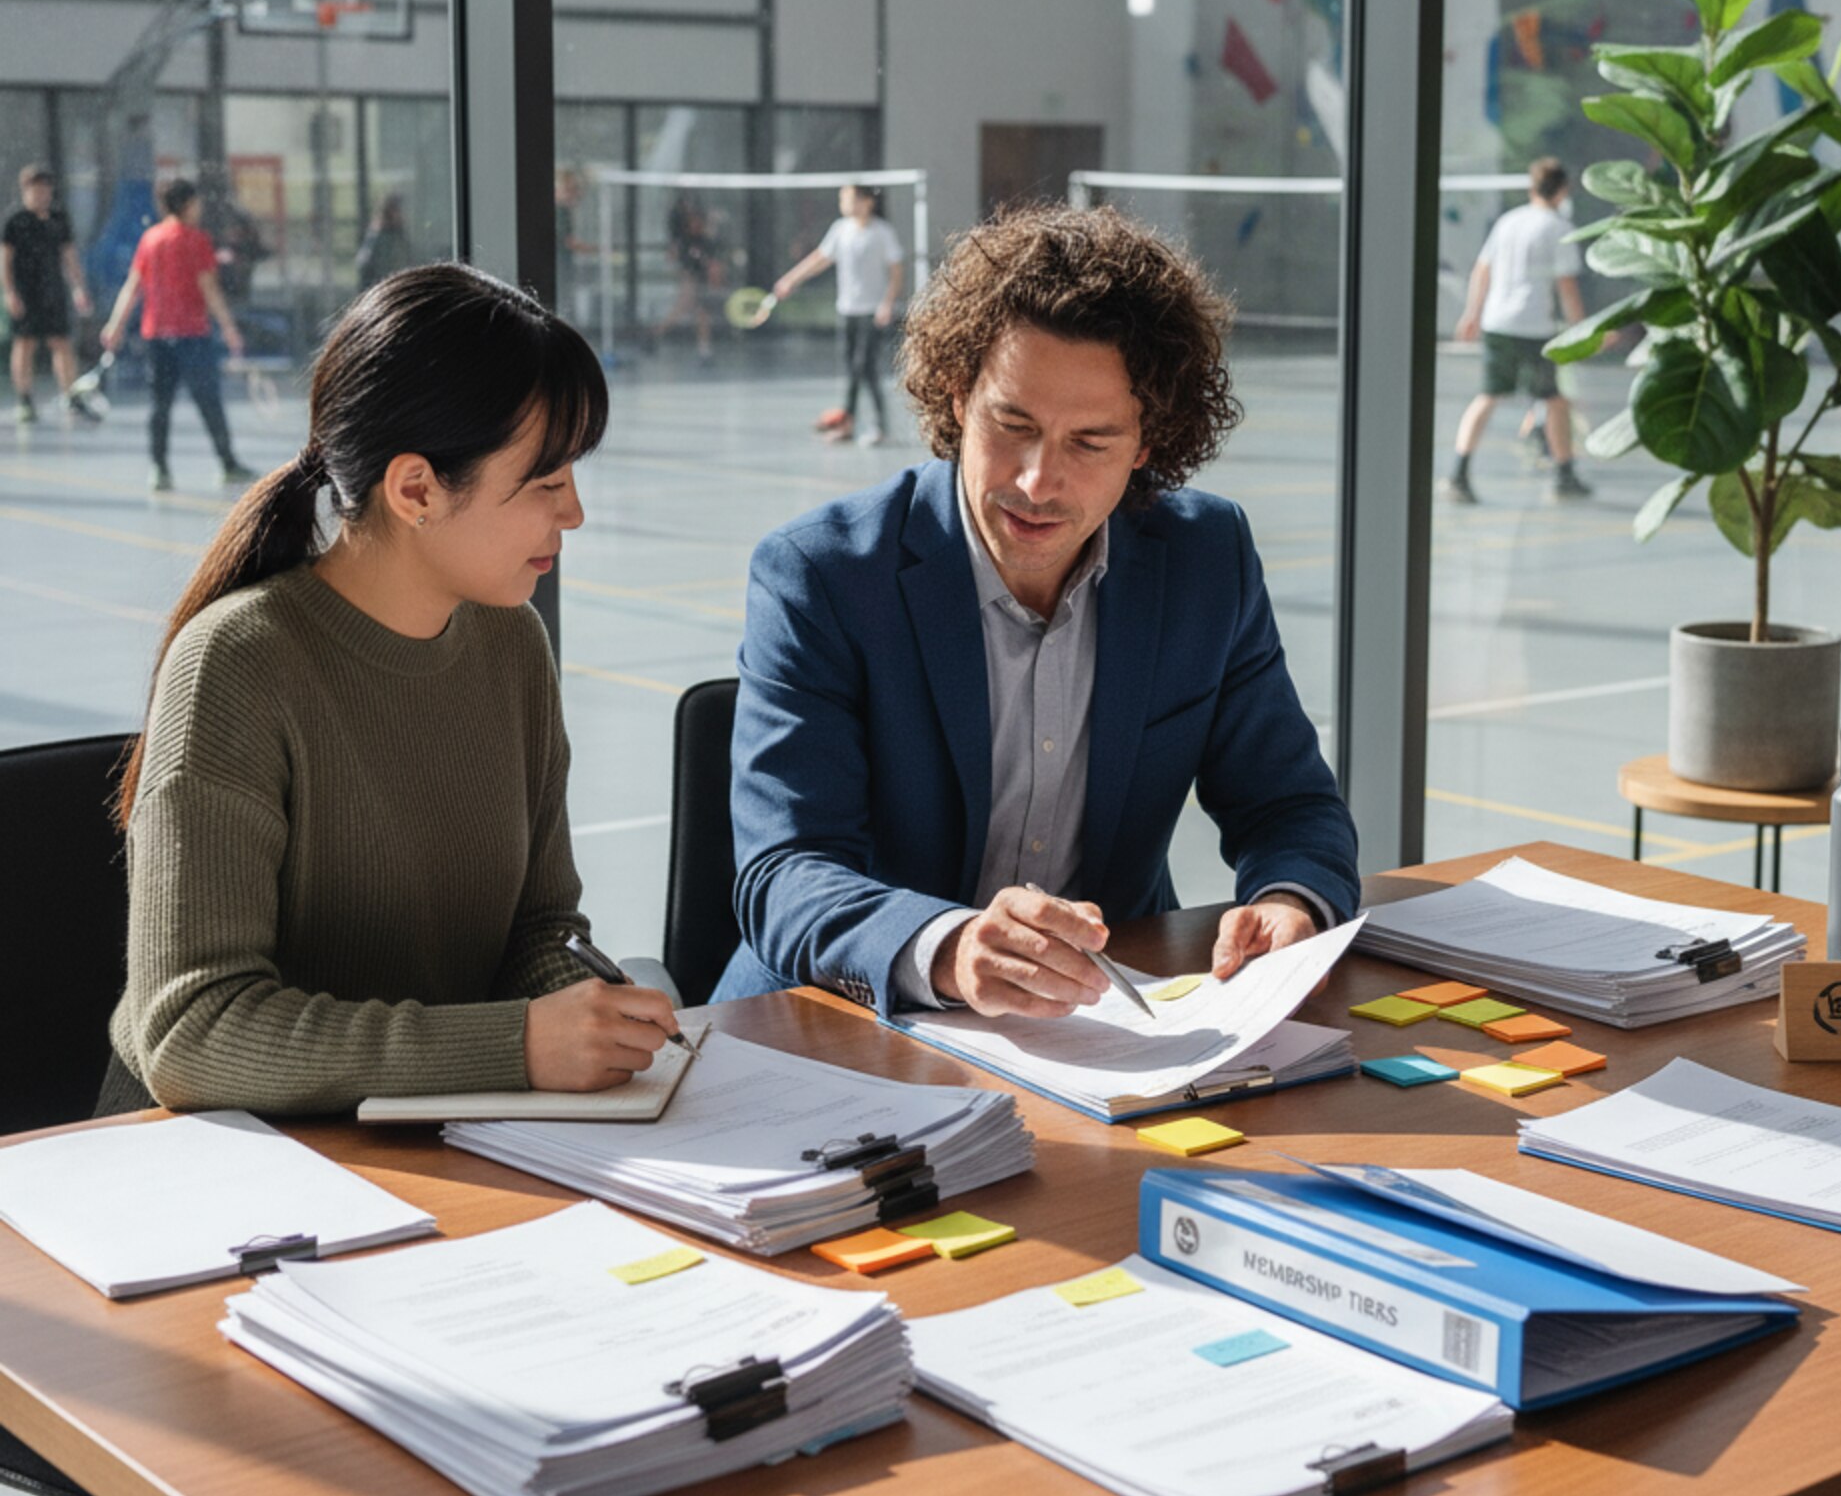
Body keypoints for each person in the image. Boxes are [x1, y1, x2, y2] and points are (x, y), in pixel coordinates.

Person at [715, 203, 1360, 1021]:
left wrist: (1292, 899)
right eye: (1011, 425)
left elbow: (1288, 803)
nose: (1034, 481)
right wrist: (947, 947)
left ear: (1149, 442)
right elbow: (785, 871)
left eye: (1089, 443)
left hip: (1101, 1030)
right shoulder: (823, 574)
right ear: (957, 398)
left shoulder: (1206, 559)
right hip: (838, 1038)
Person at [96, 264, 679, 1119]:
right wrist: (517, 1045)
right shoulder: (236, 665)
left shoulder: (512, 643)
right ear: (415, 490)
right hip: (220, 1175)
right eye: (547, 482)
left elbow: (540, 925)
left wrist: (586, 1006)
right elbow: (193, 1032)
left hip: (436, 1142)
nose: (576, 513)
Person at [1442, 157, 1592, 504]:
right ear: (1563, 190)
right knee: (1554, 400)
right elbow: (1566, 284)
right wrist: (1583, 329)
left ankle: (1459, 473)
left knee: (1488, 395)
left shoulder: (1508, 222)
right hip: (1532, 326)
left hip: (1497, 322)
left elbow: (1482, 270)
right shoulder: (1558, 227)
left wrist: (1472, 314)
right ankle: (1564, 474)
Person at [101, 178, 254, 495]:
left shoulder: (150, 239)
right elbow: (209, 289)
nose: (199, 208)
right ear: (186, 204)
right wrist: (228, 327)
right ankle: (227, 463)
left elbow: (133, 286)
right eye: (196, 202)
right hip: (192, 335)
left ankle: (159, 469)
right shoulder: (197, 240)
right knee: (209, 401)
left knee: (160, 405)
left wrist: (115, 325)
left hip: (157, 336)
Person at [764, 183, 904, 446]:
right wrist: (790, 280)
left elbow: (896, 271)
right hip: (847, 310)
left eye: (848, 198)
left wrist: (887, 303)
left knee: (864, 368)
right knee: (852, 368)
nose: (843, 203)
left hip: (872, 312)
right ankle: (847, 424)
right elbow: (820, 258)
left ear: (866, 202)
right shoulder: (840, 230)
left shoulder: (882, 233)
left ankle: (878, 426)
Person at [3, 164, 93, 425]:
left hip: (52, 291)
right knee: (25, 344)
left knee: (61, 343)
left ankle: (70, 395)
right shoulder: (15, 221)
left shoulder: (58, 218)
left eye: (46, 189)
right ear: (25, 191)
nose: (42, 195)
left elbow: (69, 256)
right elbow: (5, 261)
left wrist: (78, 288)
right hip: (25, 292)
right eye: (36, 189)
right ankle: (25, 398)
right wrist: (9, 293)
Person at [654, 193, 726, 362]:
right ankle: (656, 333)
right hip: (691, 280)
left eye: (698, 220)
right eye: (692, 221)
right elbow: (678, 262)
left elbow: (714, 263)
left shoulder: (706, 241)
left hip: (703, 283)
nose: (696, 224)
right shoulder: (684, 242)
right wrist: (688, 281)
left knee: (702, 314)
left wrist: (714, 275)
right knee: (682, 309)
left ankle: (704, 349)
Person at [353, 191, 414, 293]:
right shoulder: (380, 236)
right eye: (398, 210)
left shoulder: (398, 235)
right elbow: (366, 265)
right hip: (383, 288)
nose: (403, 215)